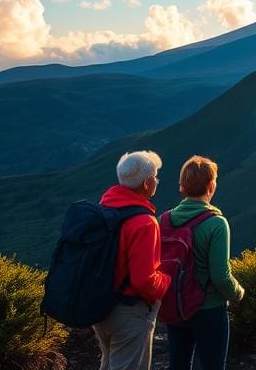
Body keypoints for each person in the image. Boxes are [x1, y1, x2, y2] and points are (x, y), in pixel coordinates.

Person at [165, 156, 245, 370]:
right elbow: (220, 275)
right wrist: (238, 293)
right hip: (208, 308)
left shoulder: (163, 220)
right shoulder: (216, 223)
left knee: (178, 364)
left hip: (175, 305)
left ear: (182, 186)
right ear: (211, 186)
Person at [94, 150, 172, 370]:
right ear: (147, 183)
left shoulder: (104, 209)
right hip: (128, 311)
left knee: (108, 362)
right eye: (155, 177)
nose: (156, 181)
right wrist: (166, 281)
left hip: (99, 306)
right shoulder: (144, 222)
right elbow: (144, 280)